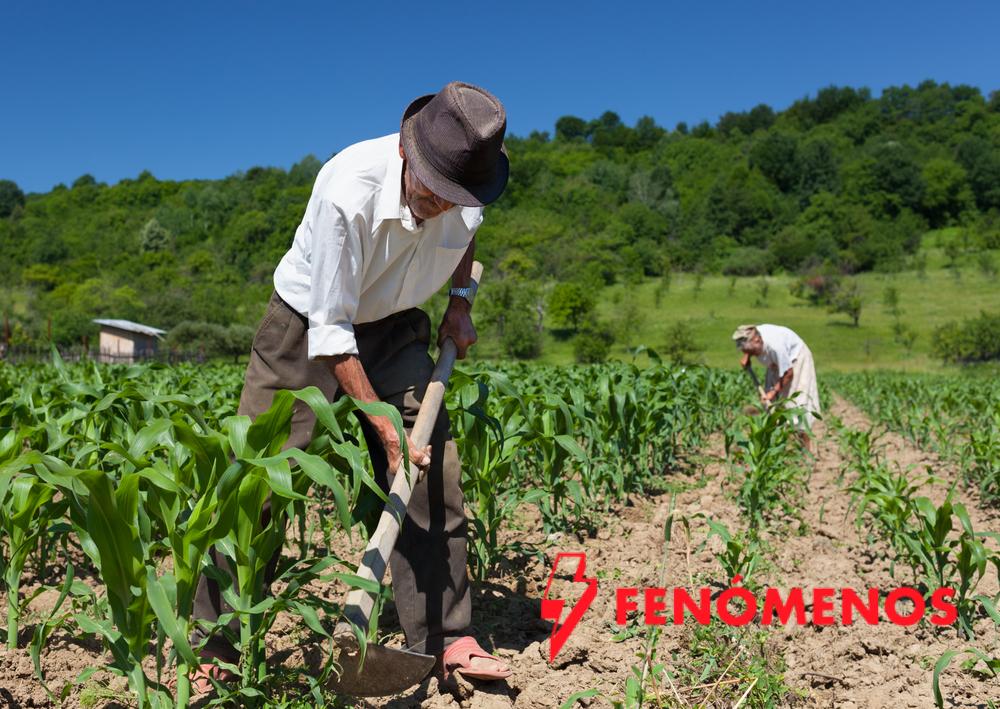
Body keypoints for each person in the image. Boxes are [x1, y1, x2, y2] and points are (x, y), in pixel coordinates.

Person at [190, 81, 512, 693]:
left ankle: (446, 637)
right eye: (433, 191)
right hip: (309, 322)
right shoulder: (347, 190)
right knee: (260, 475)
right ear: (407, 154)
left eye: (456, 196)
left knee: (431, 469)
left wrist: (461, 302)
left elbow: (467, 241)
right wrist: (381, 426)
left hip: (396, 325)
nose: (443, 205)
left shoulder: (470, 188)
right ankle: (215, 640)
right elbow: (332, 332)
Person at [732, 324, 820, 444]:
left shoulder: (775, 347)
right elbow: (748, 343)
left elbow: (789, 373)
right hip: (776, 362)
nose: (748, 352)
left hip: (796, 360)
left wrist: (773, 392)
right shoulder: (754, 334)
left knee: (797, 406)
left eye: (749, 350)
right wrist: (748, 355)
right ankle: (777, 444)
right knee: (771, 406)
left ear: (757, 340)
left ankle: (804, 451)